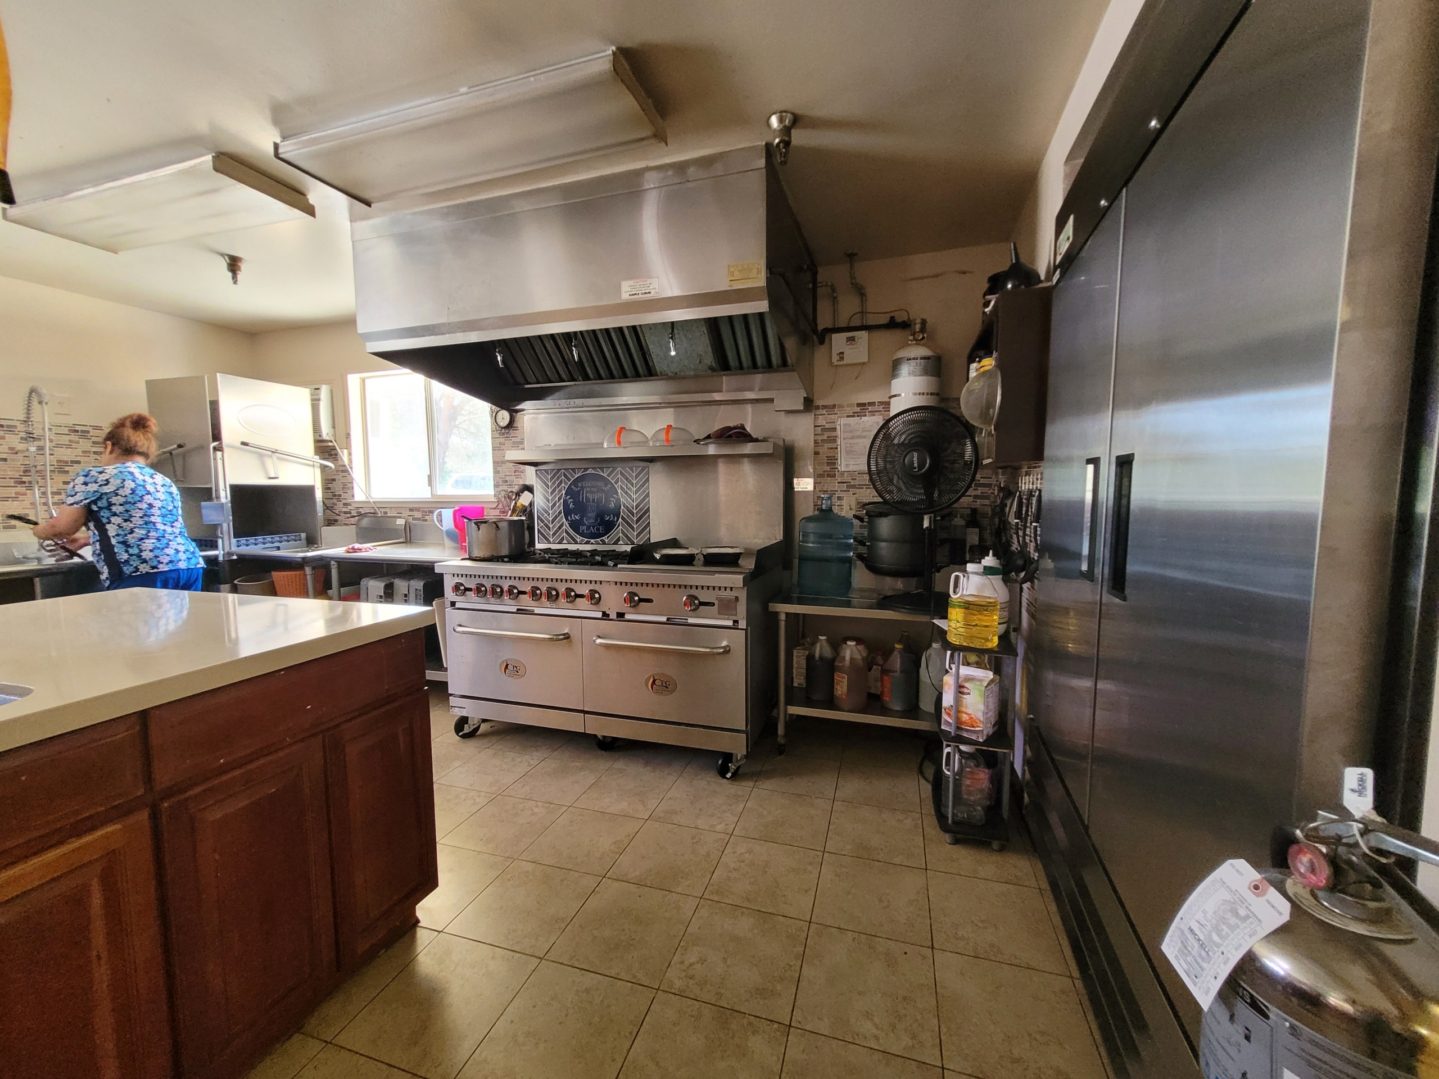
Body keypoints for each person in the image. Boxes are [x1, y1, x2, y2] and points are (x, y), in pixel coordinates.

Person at [32, 412, 205, 591]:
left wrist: (38, 530)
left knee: (135, 620)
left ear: (109, 447)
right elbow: (147, 528)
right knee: (182, 620)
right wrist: (87, 539)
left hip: (141, 569)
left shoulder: (95, 476)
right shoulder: (162, 481)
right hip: (188, 564)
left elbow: (61, 528)